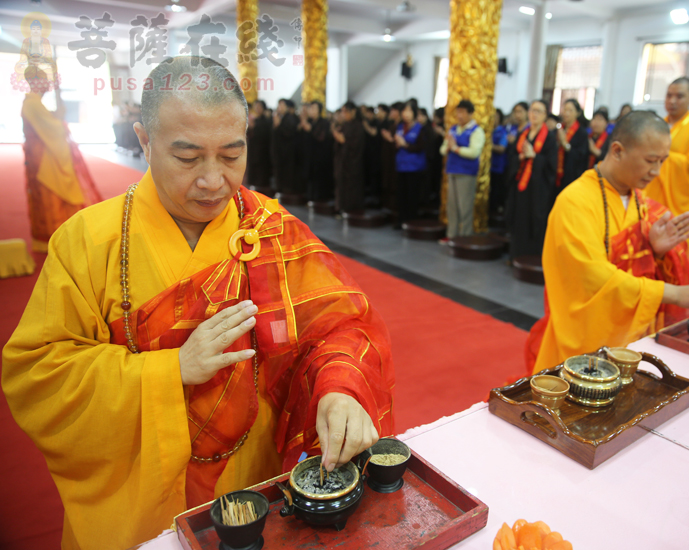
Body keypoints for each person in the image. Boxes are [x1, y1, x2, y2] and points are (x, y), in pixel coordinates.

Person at [2, 56, 395, 550]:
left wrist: (339, 387)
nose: (213, 181)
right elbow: (37, 375)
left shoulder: (270, 229)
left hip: (254, 480)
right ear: (143, 140)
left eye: (232, 155)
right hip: (141, 495)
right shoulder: (87, 242)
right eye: (188, 158)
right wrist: (170, 371)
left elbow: (337, 327)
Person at [526, 111, 689, 372]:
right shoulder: (575, 203)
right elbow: (592, 280)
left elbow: (636, 266)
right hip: (583, 353)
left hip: (632, 343)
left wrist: (655, 252)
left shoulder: (643, 203)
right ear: (617, 150)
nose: (657, 171)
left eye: (663, 161)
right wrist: (673, 293)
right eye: (650, 160)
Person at [21, 65, 102, 252]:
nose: (47, 86)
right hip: (44, 159)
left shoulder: (34, 103)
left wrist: (57, 116)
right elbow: (54, 129)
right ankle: (55, 238)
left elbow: (50, 122)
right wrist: (60, 121)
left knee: (51, 197)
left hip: (42, 156)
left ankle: (56, 237)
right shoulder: (32, 103)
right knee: (51, 197)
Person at [643, 77, 689, 217]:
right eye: (669, 95)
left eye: (679, 96)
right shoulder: (655, 126)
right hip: (647, 195)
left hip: (674, 204)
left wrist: (658, 157)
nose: (672, 101)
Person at [505, 100, 558, 259]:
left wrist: (535, 157)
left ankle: (530, 257)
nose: (534, 114)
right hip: (520, 184)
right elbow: (512, 156)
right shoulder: (523, 134)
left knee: (533, 220)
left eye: (538, 111)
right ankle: (515, 254)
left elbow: (551, 165)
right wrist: (521, 157)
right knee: (518, 218)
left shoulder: (549, 138)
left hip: (537, 188)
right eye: (532, 110)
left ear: (544, 116)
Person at [440, 99, 485, 240]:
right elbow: (442, 150)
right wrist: (448, 147)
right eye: (458, 112)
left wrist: (455, 148)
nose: (459, 115)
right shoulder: (453, 129)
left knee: (464, 207)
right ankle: (451, 235)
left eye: (463, 112)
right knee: (452, 207)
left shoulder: (476, 131)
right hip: (452, 170)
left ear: (470, 114)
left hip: (466, 173)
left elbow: (473, 152)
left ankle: (465, 237)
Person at [392, 100, 428, 226]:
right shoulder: (400, 127)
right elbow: (397, 144)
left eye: (409, 111)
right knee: (401, 195)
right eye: (404, 111)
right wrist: (396, 143)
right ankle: (401, 220)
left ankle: (411, 221)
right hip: (401, 165)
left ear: (414, 113)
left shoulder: (420, 128)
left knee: (412, 195)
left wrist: (405, 144)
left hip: (414, 167)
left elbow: (420, 147)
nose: (406, 114)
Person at [332, 101, 366, 213]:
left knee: (352, 187)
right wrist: (338, 139)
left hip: (353, 162)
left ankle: (351, 209)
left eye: (345, 111)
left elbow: (356, 145)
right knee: (341, 185)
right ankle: (341, 207)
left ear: (353, 111)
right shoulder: (345, 125)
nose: (343, 114)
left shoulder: (358, 126)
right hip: (342, 161)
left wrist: (344, 141)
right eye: (342, 112)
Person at [299, 100, 335, 202]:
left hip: (320, 157)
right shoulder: (309, 121)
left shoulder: (324, 122)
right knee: (310, 178)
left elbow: (322, 138)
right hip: (309, 156)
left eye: (314, 108)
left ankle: (320, 200)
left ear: (319, 110)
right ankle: (310, 198)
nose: (311, 111)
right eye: (311, 108)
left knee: (320, 180)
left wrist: (310, 129)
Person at [556, 99, 590, 189]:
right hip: (557, 172)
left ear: (577, 113)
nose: (566, 113)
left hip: (571, 175)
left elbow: (581, 156)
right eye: (565, 109)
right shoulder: (559, 129)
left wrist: (565, 144)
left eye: (570, 110)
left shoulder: (581, 133)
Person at [271, 99, 299, 194]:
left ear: (287, 107)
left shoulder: (289, 118)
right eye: (279, 105)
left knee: (287, 173)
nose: (280, 108)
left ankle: (286, 192)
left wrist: (279, 125)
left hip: (287, 152)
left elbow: (289, 134)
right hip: (279, 151)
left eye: (282, 105)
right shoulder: (280, 117)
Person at [246, 99, 272, 193]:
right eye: (256, 106)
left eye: (259, 106)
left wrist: (254, 128)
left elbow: (265, 135)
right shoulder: (254, 120)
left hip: (263, 150)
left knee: (262, 172)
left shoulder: (267, 121)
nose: (257, 108)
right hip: (253, 149)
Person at [489, 108, 509, 217]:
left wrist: (488, 145)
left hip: (498, 166)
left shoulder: (502, 132)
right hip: (488, 166)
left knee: (496, 191)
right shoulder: (488, 131)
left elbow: (502, 148)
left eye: (495, 117)